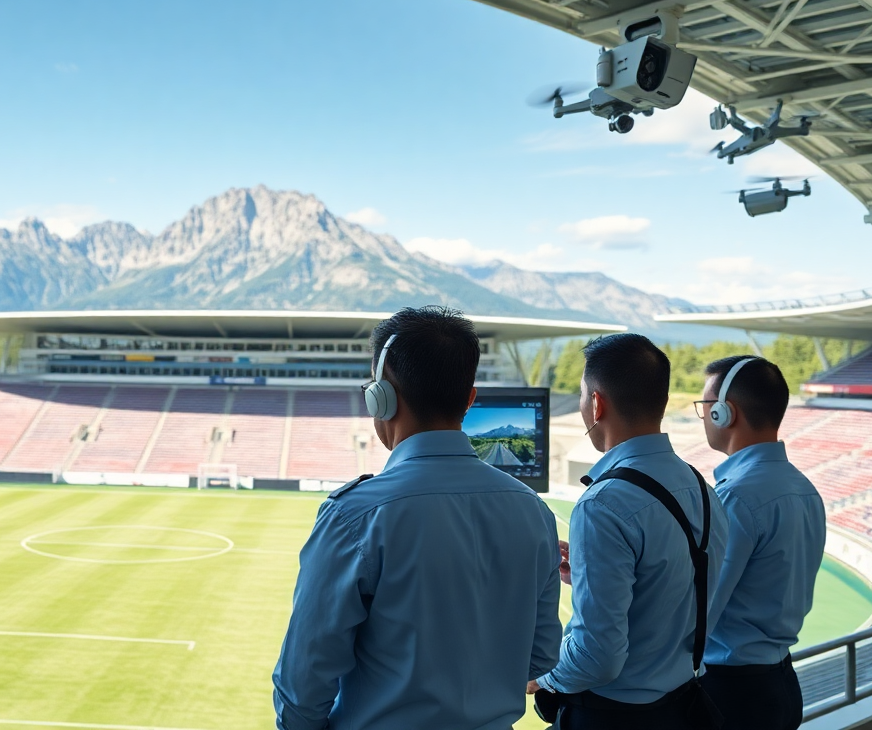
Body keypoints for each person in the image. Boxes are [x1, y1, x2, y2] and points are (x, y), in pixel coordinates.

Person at [273, 306, 562, 730]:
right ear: (469, 399)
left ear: (380, 397)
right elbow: (539, 657)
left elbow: (304, 682)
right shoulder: (533, 510)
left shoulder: (355, 515)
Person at [528, 333, 728, 729]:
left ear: (597, 403)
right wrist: (587, 575)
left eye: (584, 396)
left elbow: (597, 657)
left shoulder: (604, 503)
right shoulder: (702, 489)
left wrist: (540, 678)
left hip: (613, 717)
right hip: (681, 707)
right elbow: (679, 590)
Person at [695, 356, 825, 730]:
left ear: (724, 413)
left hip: (732, 694)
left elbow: (701, 611)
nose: (703, 417)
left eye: (705, 407)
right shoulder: (805, 488)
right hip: (779, 682)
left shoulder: (737, 497)